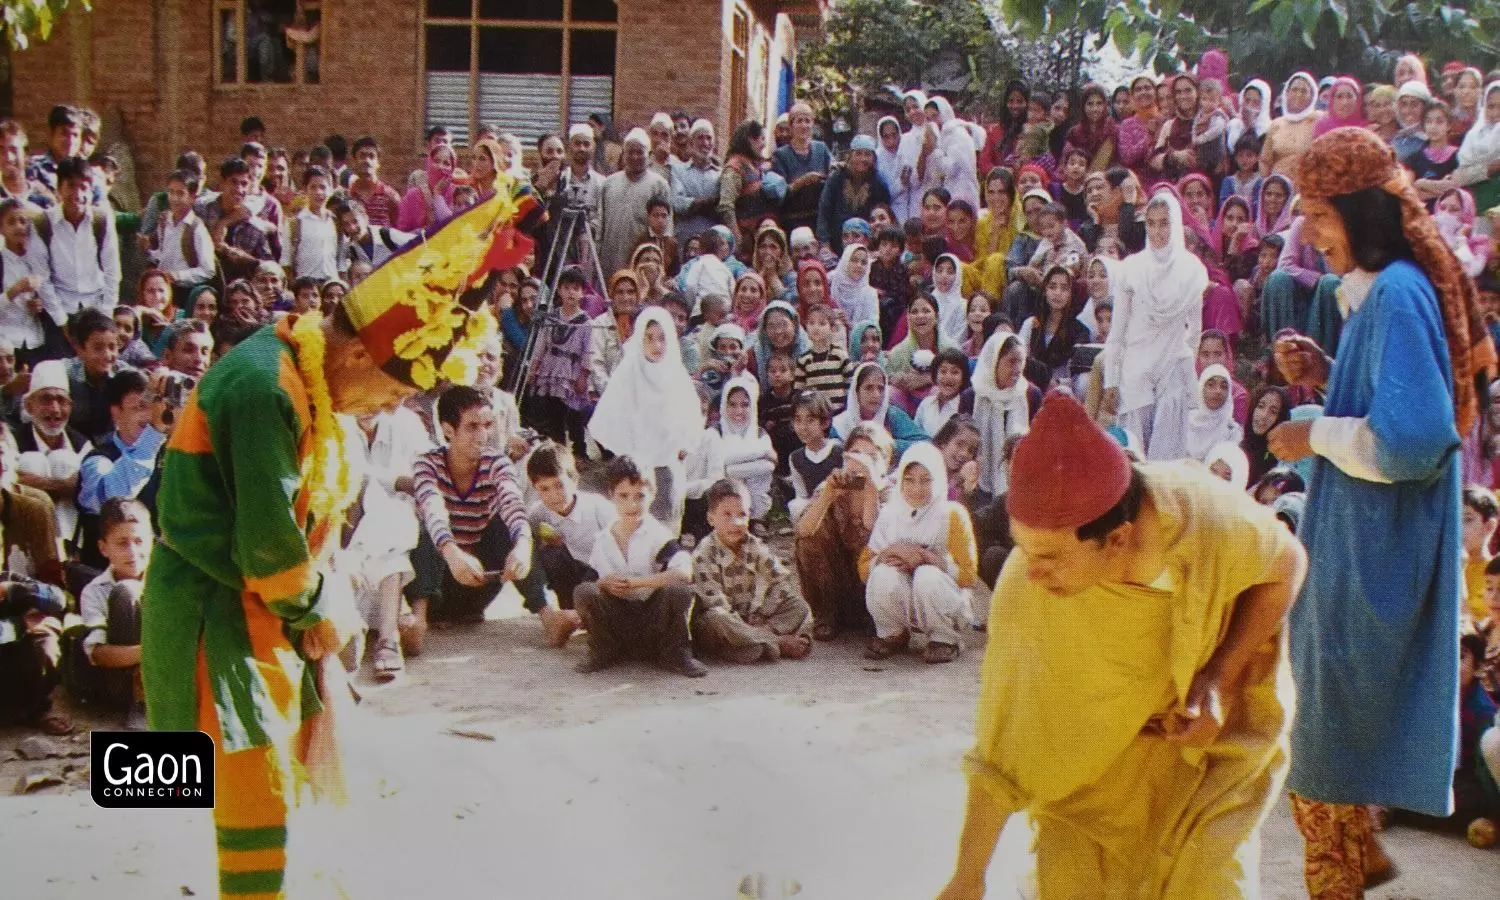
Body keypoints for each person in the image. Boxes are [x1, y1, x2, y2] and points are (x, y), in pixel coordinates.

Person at [140, 185, 535, 898]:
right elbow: (269, 548)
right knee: (247, 774)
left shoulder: (303, 359)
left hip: (258, 605)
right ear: (355, 352)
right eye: (387, 391)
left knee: (266, 769)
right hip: (217, 605)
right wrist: (325, 610)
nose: (386, 407)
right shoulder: (270, 390)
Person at [936, 392, 1306, 900]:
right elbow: (1005, 738)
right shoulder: (1030, 588)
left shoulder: (1203, 517)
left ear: (1117, 540)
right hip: (1099, 772)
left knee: (1211, 885)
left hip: (1215, 754)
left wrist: (1218, 676)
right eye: (1022, 547)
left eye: (1048, 555)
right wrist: (968, 874)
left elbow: (1286, 566)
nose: (1030, 569)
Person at [1267, 127, 1497, 899]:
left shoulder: (1397, 294)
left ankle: (1340, 880)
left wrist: (1313, 431)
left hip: (1374, 562)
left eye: (1320, 214)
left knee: (1320, 752)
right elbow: (1397, 406)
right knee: (1329, 736)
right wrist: (1331, 376)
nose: (1308, 231)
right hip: (1366, 550)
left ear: (1361, 213)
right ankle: (1360, 854)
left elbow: (1409, 444)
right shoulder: (1387, 294)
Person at [573, 455, 706, 678]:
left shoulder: (658, 535)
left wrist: (639, 583)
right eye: (623, 496)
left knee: (679, 591)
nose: (632, 504)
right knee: (584, 592)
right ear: (610, 496)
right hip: (619, 618)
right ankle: (604, 650)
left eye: (639, 496)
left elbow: (684, 572)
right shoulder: (603, 539)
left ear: (653, 494)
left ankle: (675, 652)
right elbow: (591, 580)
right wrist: (605, 583)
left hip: (653, 617)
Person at [1102, 192, 1206, 459]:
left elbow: (1194, 332)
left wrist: (1187, 368)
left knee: (1166, 457)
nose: (1157, 231)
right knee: (1133, 456)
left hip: (1173, 365)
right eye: (1151, 223)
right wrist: (1111, 381)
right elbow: (1117, 332)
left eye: (1164, 223)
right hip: (1135, 368)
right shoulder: (1131, 269)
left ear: (1176, 224)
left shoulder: (1192, 271)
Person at [860, 441, 978, 664]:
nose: (916, 489)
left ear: (939, 480)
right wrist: (889, 553)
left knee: (927, 577)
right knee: (883, 574)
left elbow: (968, 576)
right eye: (909, 480)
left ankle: (944, 638)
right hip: (905, 597)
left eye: (926, 480)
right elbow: (864, 569)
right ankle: (893, 633)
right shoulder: (890, 515)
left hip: (945, 597)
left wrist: (927, 558)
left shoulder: (951, 514)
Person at [589, 306, 705, 529]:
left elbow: (689, 418)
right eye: (649, 338)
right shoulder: (628, 373)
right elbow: (609, 416)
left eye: (662, 338)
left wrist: (682, 445)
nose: (656, 345)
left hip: (667, 467)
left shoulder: (675, 375)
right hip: (633, 469)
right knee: (632, 528)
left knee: (665, 532)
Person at [691, 478, 814, 663]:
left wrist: (763, 613)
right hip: (721, 622)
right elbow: (715, 602)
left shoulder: (753, 545)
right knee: (717, 619)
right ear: (711, 518)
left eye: (742, 514)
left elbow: (780, 579)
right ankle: (776, 643)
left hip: (750, 618)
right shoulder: (704, 553)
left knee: (798, 605)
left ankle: (751, 646)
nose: (736, 522)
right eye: (727, 514)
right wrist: (744, 626)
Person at [794, 421, 890, 640]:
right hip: (837, 580)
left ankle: (875, 617)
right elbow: (803, 530)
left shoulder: (890, 492)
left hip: (872, 584)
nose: (861, 462)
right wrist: (828, 495)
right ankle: (826, 614)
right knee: (810, 538)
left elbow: (875, 531)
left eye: (871, 456)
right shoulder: (833, 484)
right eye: (856, 453)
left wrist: (871, 487)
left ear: (885, 462)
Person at [72, 497, 152, 728]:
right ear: (103, 548)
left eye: (139, 541)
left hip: (170, 672)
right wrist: (155, 652)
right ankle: (141, 702)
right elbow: (99, 654)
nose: (133, 551)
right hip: (122, 681)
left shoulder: (168, 581)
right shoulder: (95, 591)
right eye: (122, 543)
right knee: (126, 592)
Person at [598, 129, 671, 279]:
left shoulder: (659, 184)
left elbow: (666, 229)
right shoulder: (609, 183)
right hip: (610, 256)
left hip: (643, 257)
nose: (634, 157)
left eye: (640, 153)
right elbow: (600, 225)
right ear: (623, 155)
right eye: (630, 152)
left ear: (649, 156)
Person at [704, 374, 777, 522]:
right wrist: (761, 454)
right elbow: (719, 468)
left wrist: (732, 468)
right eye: (732, 405)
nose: (739, 411)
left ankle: (756, 518)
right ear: (724, 405)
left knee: (763, 468)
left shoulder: (759, 433)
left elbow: (770, 465)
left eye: (745, 405)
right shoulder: (714, 432)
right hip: (720, 497)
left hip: (757, 500)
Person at [0, 197, 57, 367]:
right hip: (6, 343)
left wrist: (39, 307)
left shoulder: (38, 260)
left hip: (36, 342)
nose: (19, 226)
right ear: (1, 228)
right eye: (11, 222)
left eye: (23, 221)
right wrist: (13, 291)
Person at [772, 102, 832, 234]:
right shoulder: (781, 155)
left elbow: (831, 178)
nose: (804, 126)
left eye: (807, 121)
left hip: (818, 220)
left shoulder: (821, 149)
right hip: (791, 221)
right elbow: (778, 194)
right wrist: (802, 181)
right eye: (799, 121)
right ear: (791, 126)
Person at [1261, 72, 1324, 179]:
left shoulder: (1318, 121)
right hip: (1279, 189)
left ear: (1312, 96)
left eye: (1304, 91)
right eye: (1294, 90)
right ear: (1287, 93)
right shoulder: (1276, 124)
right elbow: (1265, 161)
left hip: (1307, 186)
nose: (1298, 94)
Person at [793, 304, 852, 414]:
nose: (816, 327)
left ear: (832, 328)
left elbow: (849, 382)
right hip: (816, 413)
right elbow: (799, 390)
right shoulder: (804, 360)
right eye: (811, 323)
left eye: (822, 323)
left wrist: (847, 406)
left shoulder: (840, 355)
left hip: (839, 411)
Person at [1242, 386, 1291, 486]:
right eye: (1260, 406)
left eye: (1273, 412)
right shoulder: (1236, 447)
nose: (1264, 415)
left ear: (1280, 418)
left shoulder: (1281, 459)